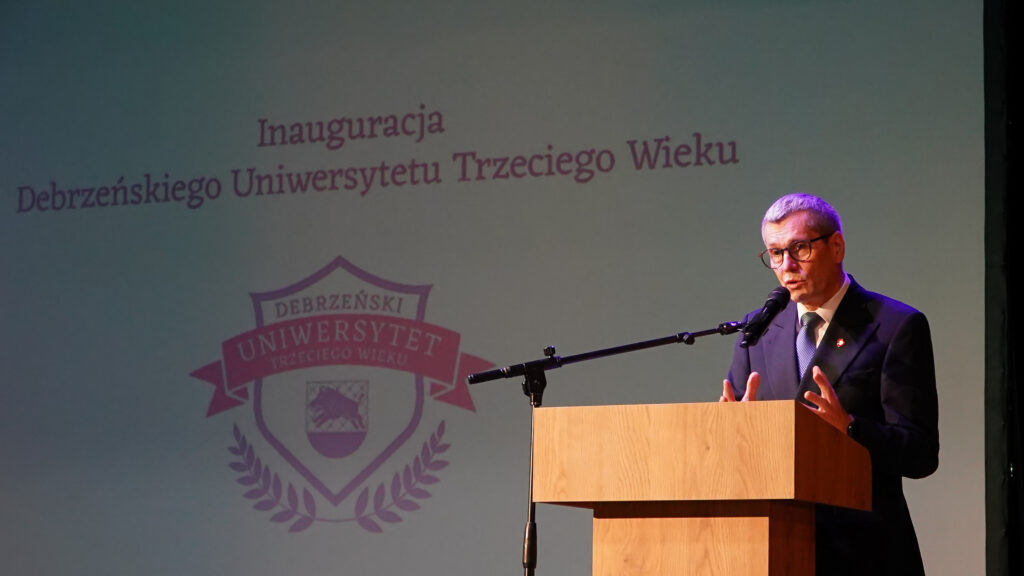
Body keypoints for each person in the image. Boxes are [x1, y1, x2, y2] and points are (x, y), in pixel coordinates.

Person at [723, 193, 939, 576]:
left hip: (864, 553)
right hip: (775, 547)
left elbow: (920, 454)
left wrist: (851, 429)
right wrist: (732, 433)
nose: (787, 266)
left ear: (836, 246)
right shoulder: (759, 330)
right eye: (775, 253)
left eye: (800, 249)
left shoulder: (894, 326)